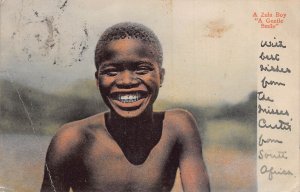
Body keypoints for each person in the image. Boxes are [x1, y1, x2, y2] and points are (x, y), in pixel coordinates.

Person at [41, 22, 210, 192]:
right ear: (97, 79)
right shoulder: (72, 140)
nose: (127, 81)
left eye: (142, 69)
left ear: (161, 76)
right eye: (112, 71)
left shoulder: (177, 127)